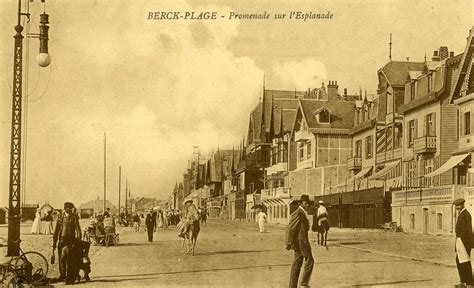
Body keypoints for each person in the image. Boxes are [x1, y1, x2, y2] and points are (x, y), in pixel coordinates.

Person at [286, 194, 314, 288]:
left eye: (308, 204)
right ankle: (304, 284)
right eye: (305, 203)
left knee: (297, 264)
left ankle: (292, 286)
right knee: (310, 260)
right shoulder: (298, 212)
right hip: (302, 243)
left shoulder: (302, 212)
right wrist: (288, 242)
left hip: (299, 243)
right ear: (300, 203)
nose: (307, 205)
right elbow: (291, 227)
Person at [53, 202, 82, 284]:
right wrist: (54, 242)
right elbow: (56, 230)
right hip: (62, 240)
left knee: (70, 258)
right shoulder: (60, 217)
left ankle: (70, 276)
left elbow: (78, 229)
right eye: (69, 208)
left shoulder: (74, 217)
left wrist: (78, 239)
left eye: (71, 208)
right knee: (61, 258)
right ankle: (62, 275)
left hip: (71, 241)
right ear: (66, 208)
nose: (71, 209)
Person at [453, 198, 473, 286]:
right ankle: (463, 281)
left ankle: (468, 282)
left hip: (464, 242)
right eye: (456, 206)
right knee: (459, 261)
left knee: (465, 261)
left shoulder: (466, 215)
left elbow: (468, 230)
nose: (456, 208)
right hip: (460, 242)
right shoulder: (461, 214)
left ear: (462, 205)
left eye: (458, 206)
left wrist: (468, 244)